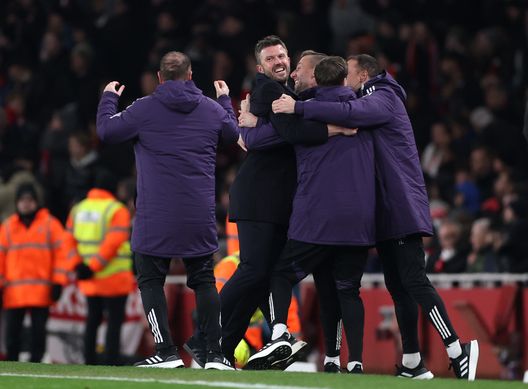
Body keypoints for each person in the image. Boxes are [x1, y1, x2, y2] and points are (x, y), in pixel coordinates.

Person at [273, 54, 480, 381]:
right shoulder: (368, 98)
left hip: (400, 206)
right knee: (398, 288)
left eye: (350, 73)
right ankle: (413, 361)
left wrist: (298, 107)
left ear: (365, 73)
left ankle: (457, 347)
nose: (347, 82)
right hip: (383, 211)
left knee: (414, 281)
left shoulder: (384, 97)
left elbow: (351, 112)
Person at [96, 51, 239, 370]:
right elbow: (232, 134)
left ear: (160, 78)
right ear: (190, 76)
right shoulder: (210, 108)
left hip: (155, 214)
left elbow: (106, 132)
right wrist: (226, 99)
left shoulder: (144, 108)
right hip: (198, 213)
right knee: (203, 280)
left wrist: (108, 98)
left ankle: (166, 351)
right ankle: (214, 355)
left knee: (150, 280)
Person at [246, 56, 374, 373]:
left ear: (316, 77)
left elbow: (264, 140)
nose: (293, 73)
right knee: (344, 289)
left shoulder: (302, 110)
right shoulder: (365, 109)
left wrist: (249, 125)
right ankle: (350, 362)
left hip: (316, 218)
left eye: (299, 69)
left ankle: (279, 332)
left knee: (282, 275)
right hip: (358, 220)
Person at [219, 36, 334, 366]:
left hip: (273, 200)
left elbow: (275, 136)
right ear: (260, 68)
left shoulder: (291, 96)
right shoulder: (270, 90)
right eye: (271, 59)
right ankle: (207, 333)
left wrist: (256, 129)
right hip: (259, 197)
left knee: (262, 276)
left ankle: (223, 347)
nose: (280, 61)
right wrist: (332, 129)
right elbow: (293, 134)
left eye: (283, 55)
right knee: (254, 270)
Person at [64, 172, 135, 365]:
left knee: (92, 320)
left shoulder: (78, 209)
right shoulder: (117, 210)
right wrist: (94, 266)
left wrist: (78, 265)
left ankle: (89, 360)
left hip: (88, 277)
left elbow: (68, 241)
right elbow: (114, 242)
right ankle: (111, 361)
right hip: (114, 277)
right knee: (114, 323)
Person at [0, 183, 68, 362]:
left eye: (29, 200)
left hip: (40, 291)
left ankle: (36, 364)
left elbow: (62, 255)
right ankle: (12, 364)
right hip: (14, 292)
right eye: (22, 200)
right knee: (12, 335)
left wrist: (58, 281)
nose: (26, 204)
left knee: (38, 334)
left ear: (37, 202)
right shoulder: (8, 227)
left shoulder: (50, 224)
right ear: (16, 203)